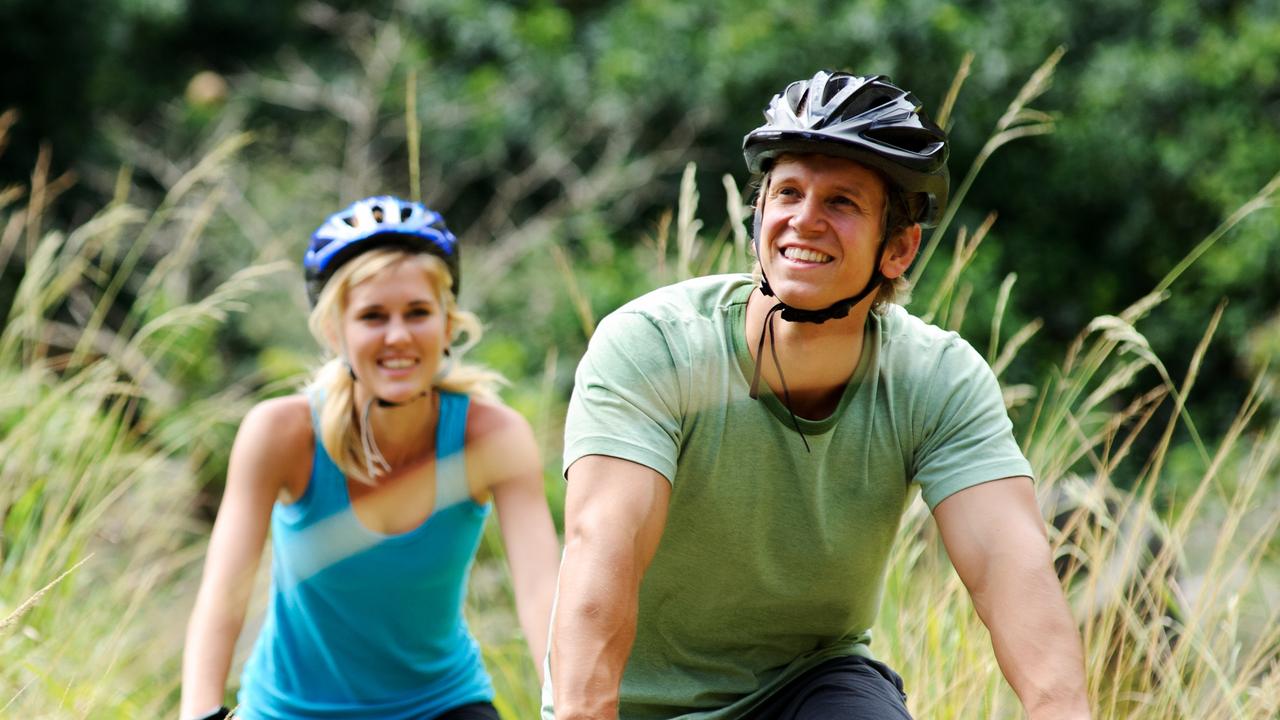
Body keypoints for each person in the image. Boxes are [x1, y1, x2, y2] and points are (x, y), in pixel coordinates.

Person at [546, 71, 1091, 719]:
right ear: (759, 213)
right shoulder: (656, 346)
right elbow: (601, 543)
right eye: (788, 193)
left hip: (809, 686)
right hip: (635, 704)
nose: (805, 220)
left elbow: (1011, 565)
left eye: (841, 203)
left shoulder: (936, 378)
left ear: (899, 248)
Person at [181, 196, 560, 720]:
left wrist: (569, 706)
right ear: (337, 332)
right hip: (289, 711)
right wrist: (200, 714)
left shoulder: (493, 437)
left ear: (448, 325)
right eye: (373, 316)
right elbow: (223, 595)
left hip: (440, 706)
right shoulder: (280, 433)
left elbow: (543, 592)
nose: (398, 336)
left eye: (418, 313)